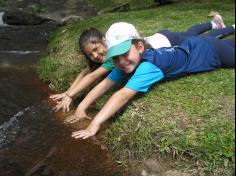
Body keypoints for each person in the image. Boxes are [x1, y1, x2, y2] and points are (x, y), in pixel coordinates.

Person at [69, 22, 235, 139]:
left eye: (125, 54)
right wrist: (81, 108)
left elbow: (123, 95)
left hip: (209, 53)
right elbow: (105, 85)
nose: (122, 62)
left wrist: (94, 124)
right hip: (195, 44)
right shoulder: (126, 63)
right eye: (116, 58)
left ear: (140, 47)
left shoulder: (148, 67)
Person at [50, 14, 234, 114]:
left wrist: (70, 95)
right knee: (198, 39)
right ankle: (218, 26)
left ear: (105, 43)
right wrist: (68, 94)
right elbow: (85, 73)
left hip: (167, 40)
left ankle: (217, 25)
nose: (97, 56)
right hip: (163, 40)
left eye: (97, 49)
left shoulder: (116, 58)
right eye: (91, 55)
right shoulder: (118, 55)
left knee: (194, 36)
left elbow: (94, 77)